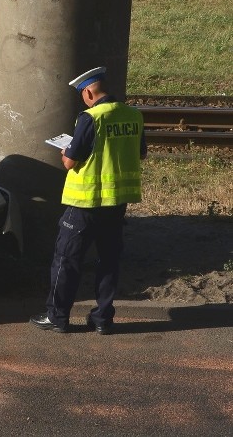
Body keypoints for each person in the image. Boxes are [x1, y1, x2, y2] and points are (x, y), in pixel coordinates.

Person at [30, 66, 147, 335]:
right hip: (116, 203)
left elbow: (71, 161)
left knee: (66, 260)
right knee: (108, 260)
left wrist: (65, 153)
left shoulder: (91, 118)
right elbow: (140, 154)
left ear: (88, 92)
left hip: (85, 205)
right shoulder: (134, 115)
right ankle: (103, 319)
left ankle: (57, 317)